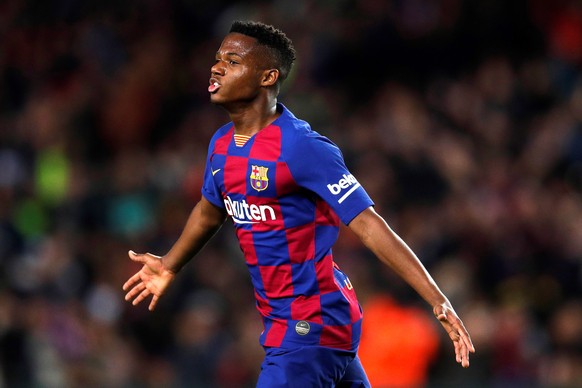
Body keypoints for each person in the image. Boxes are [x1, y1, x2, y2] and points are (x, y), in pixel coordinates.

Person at [122, 20, 475, 386]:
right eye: (217, 58)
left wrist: (437, 299)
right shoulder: (222, 144)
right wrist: (169, 265)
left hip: (310, 324)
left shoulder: (301, 147)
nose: (217, 67)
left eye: (233, 60)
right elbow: (210, 212)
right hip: (296, 324)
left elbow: (368, 224)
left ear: (267, 76)